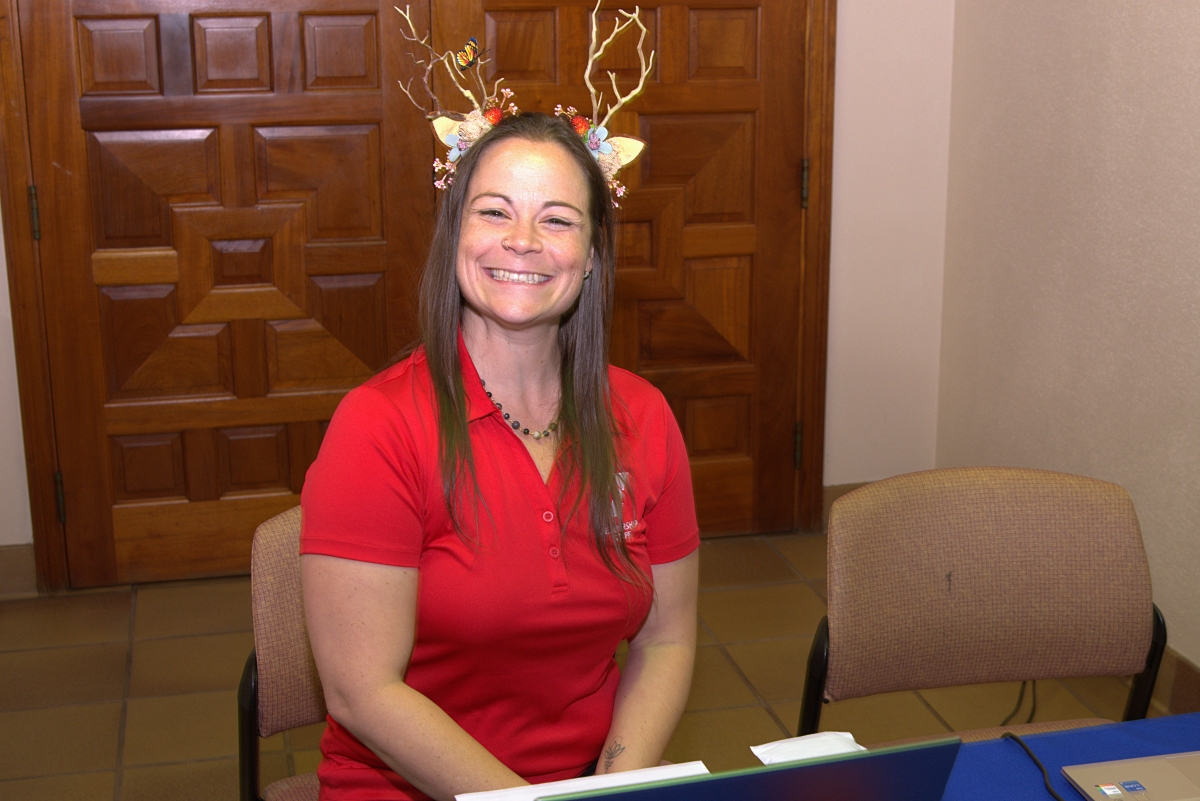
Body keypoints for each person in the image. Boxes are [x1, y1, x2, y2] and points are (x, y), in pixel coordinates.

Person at [299, 112, 701, 801]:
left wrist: (612, 788)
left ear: (593, 252)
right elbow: (361, 691)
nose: (522, 241)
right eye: (495, 211)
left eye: (557, 219)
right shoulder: (378, 427)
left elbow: (666, 640)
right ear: (456, 233)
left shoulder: (645, 417)